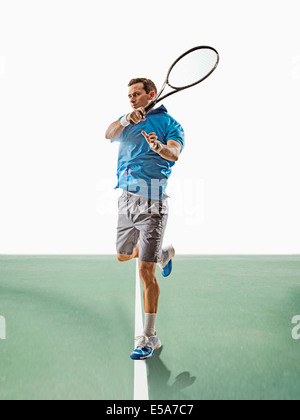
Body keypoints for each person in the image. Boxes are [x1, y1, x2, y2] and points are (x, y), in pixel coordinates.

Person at [105, 78, 185, 360]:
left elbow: (174, 153)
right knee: (123, 255)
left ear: (151, 94)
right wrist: (126, 119)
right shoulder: (127, 120)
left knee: (145, 271)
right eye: (129, 95)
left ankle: (150, 336)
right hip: (125, 199)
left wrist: (158, 148)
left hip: (153, 201)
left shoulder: (170, 124)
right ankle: (162, 253)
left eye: (136, 94)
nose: (132, 98)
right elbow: (108, 133)